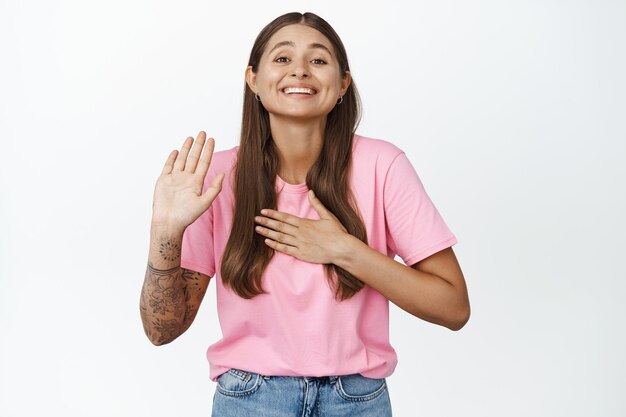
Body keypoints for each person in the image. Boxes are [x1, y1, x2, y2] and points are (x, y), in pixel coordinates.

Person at [139, 11, 470, 417]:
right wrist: (164, 232)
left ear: (343, 83)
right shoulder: (216, 179)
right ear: (253, 80)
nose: (299, 70)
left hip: (357, 400)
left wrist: (347, 251)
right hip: (250, 399)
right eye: (281, 59)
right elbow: (162, 330)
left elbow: (453, 307)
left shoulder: (383, 165)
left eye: (318, 60)